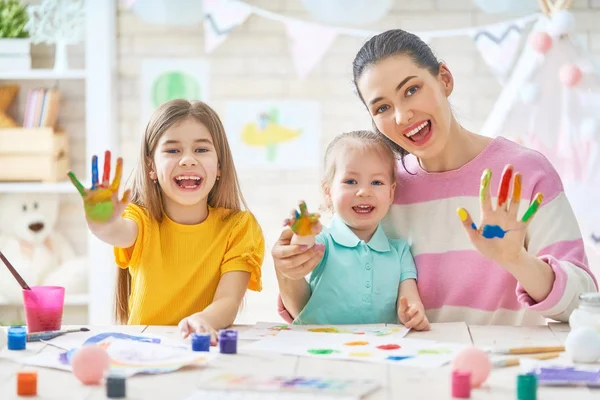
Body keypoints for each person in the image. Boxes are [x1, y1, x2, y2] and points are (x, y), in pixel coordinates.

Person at [273, 29, 598, 326]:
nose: (402, 116)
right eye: (382, 108)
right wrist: (289, 270)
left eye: (411, 90)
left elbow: (582, 303)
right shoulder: (381, 191)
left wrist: (517, 260)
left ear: (444, 79)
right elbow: (327, 305)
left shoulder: (525, 173)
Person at [69, 99, 264, 342]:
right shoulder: (140, 219)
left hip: (203, 348)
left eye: (201, 150)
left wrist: (203, 321)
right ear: (151, 166)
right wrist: (102, 222)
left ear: (220, 165)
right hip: (142, 350)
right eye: (172, 150)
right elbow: (118, 231)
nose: (187, 160)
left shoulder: (239, 227)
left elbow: (229, 299)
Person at [281, 131, 429, 330]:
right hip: (319, 344)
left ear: (391, 192)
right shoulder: (323, 240)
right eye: (351, 182)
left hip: (379, 348)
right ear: (328, 192)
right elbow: (301, 255)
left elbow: (410, 297)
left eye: (376, 182)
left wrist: (413, 312)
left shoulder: (399, 251)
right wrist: (302, 233)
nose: (364, 191)